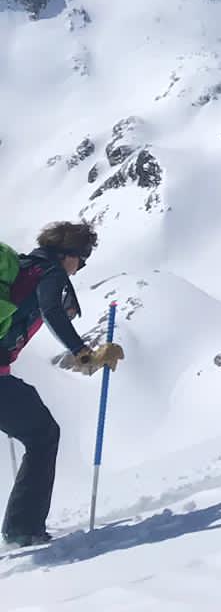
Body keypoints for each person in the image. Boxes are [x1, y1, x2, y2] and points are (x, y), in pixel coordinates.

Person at [0, 222, 120, 547]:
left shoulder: (21, 268)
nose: (80, 268)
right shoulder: (49, 273)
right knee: (43, 435)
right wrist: (83, 353)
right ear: (68, 254)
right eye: (82, 260)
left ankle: (22, 527)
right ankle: (23, 529)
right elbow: (52, 310)